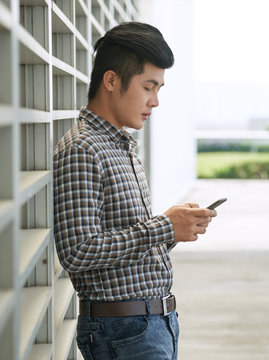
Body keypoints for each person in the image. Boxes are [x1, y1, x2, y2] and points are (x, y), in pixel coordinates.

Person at [53, 22, 216, 360]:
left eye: (159, 89)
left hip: (152, 323)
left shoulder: (121, 145)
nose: (155, 101)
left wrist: (176, 226)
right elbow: (78, 251)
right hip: (123, 330)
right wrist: (163, 226)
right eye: (148, 87)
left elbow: (124, 243)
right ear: (111, 80)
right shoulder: (84, 149)